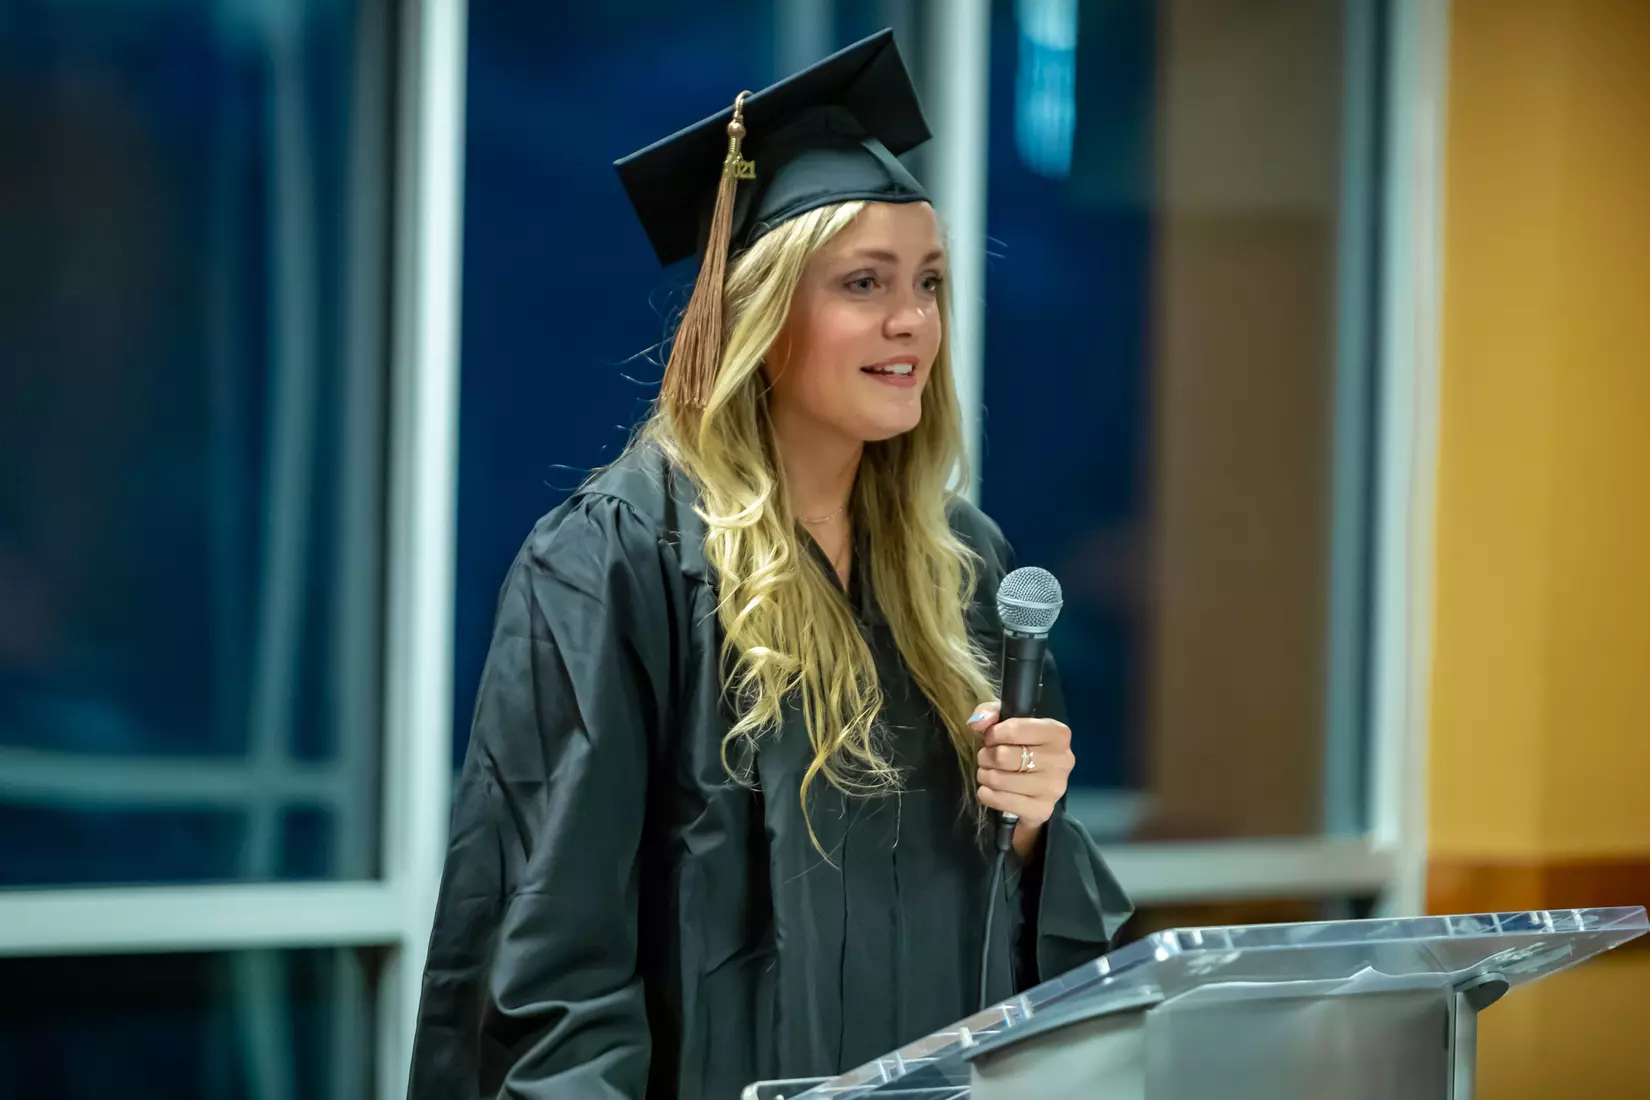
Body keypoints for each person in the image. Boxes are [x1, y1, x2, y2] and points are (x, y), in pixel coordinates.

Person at [407, 30, 1131, 1100]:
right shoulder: (617, 562)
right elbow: (550, 974)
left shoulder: (962, 570)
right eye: (863, 281)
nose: (911, 321)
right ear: (762, 310)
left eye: (928, 281)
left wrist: (1030, 831)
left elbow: (1041, 962)